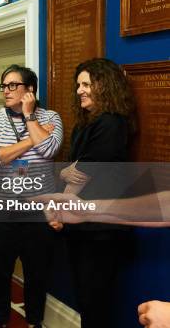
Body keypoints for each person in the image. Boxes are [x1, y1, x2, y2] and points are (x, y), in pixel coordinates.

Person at [0, 64, 63, 328]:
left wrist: (29, 118)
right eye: (4, 85)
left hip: (37, 209)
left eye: (13, 85)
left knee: (37, 273)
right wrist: (30, 141)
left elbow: (50, 151)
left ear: (31, 90)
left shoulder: (52, 117)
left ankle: (34, 321)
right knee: (0, 271)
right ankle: (0, 321)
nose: (6, 90)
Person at [60, 58, 136, 328]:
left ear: (104, 86)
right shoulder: (85, 124)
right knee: (86, 298)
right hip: (82, 225)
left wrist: (59, 209)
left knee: (95, 301)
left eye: (86, 84)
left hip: (101, 229)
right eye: (78, 84)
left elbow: (81, 171)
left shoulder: (111, 123)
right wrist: (65, 172)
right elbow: (71, 167)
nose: (79, 90)